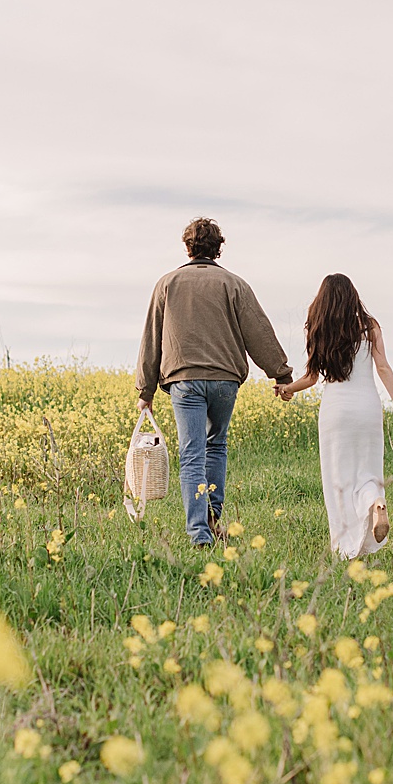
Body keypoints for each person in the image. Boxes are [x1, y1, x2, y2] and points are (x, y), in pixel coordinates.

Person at [136, 217, 293, 547]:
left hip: (184, 380)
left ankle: (199, 534)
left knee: (192, 454)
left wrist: (145, 390)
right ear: (218, 248)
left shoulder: (167, 283)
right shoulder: (234, 284)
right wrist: (280, 373)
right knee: (216, 445)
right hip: (224, 380)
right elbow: (258, 331)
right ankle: (212, 518)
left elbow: (151, 337)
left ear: (188, 246)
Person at [276, 275, 393, 558]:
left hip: (336, 413)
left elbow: (311, 378)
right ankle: (375, 501)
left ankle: (345, 547)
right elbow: (383, 367)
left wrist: (288, 388)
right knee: (368, 472)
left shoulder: (319, 328)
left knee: (339, 479)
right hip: (368, 409)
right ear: (353, 296)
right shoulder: (369, 326)